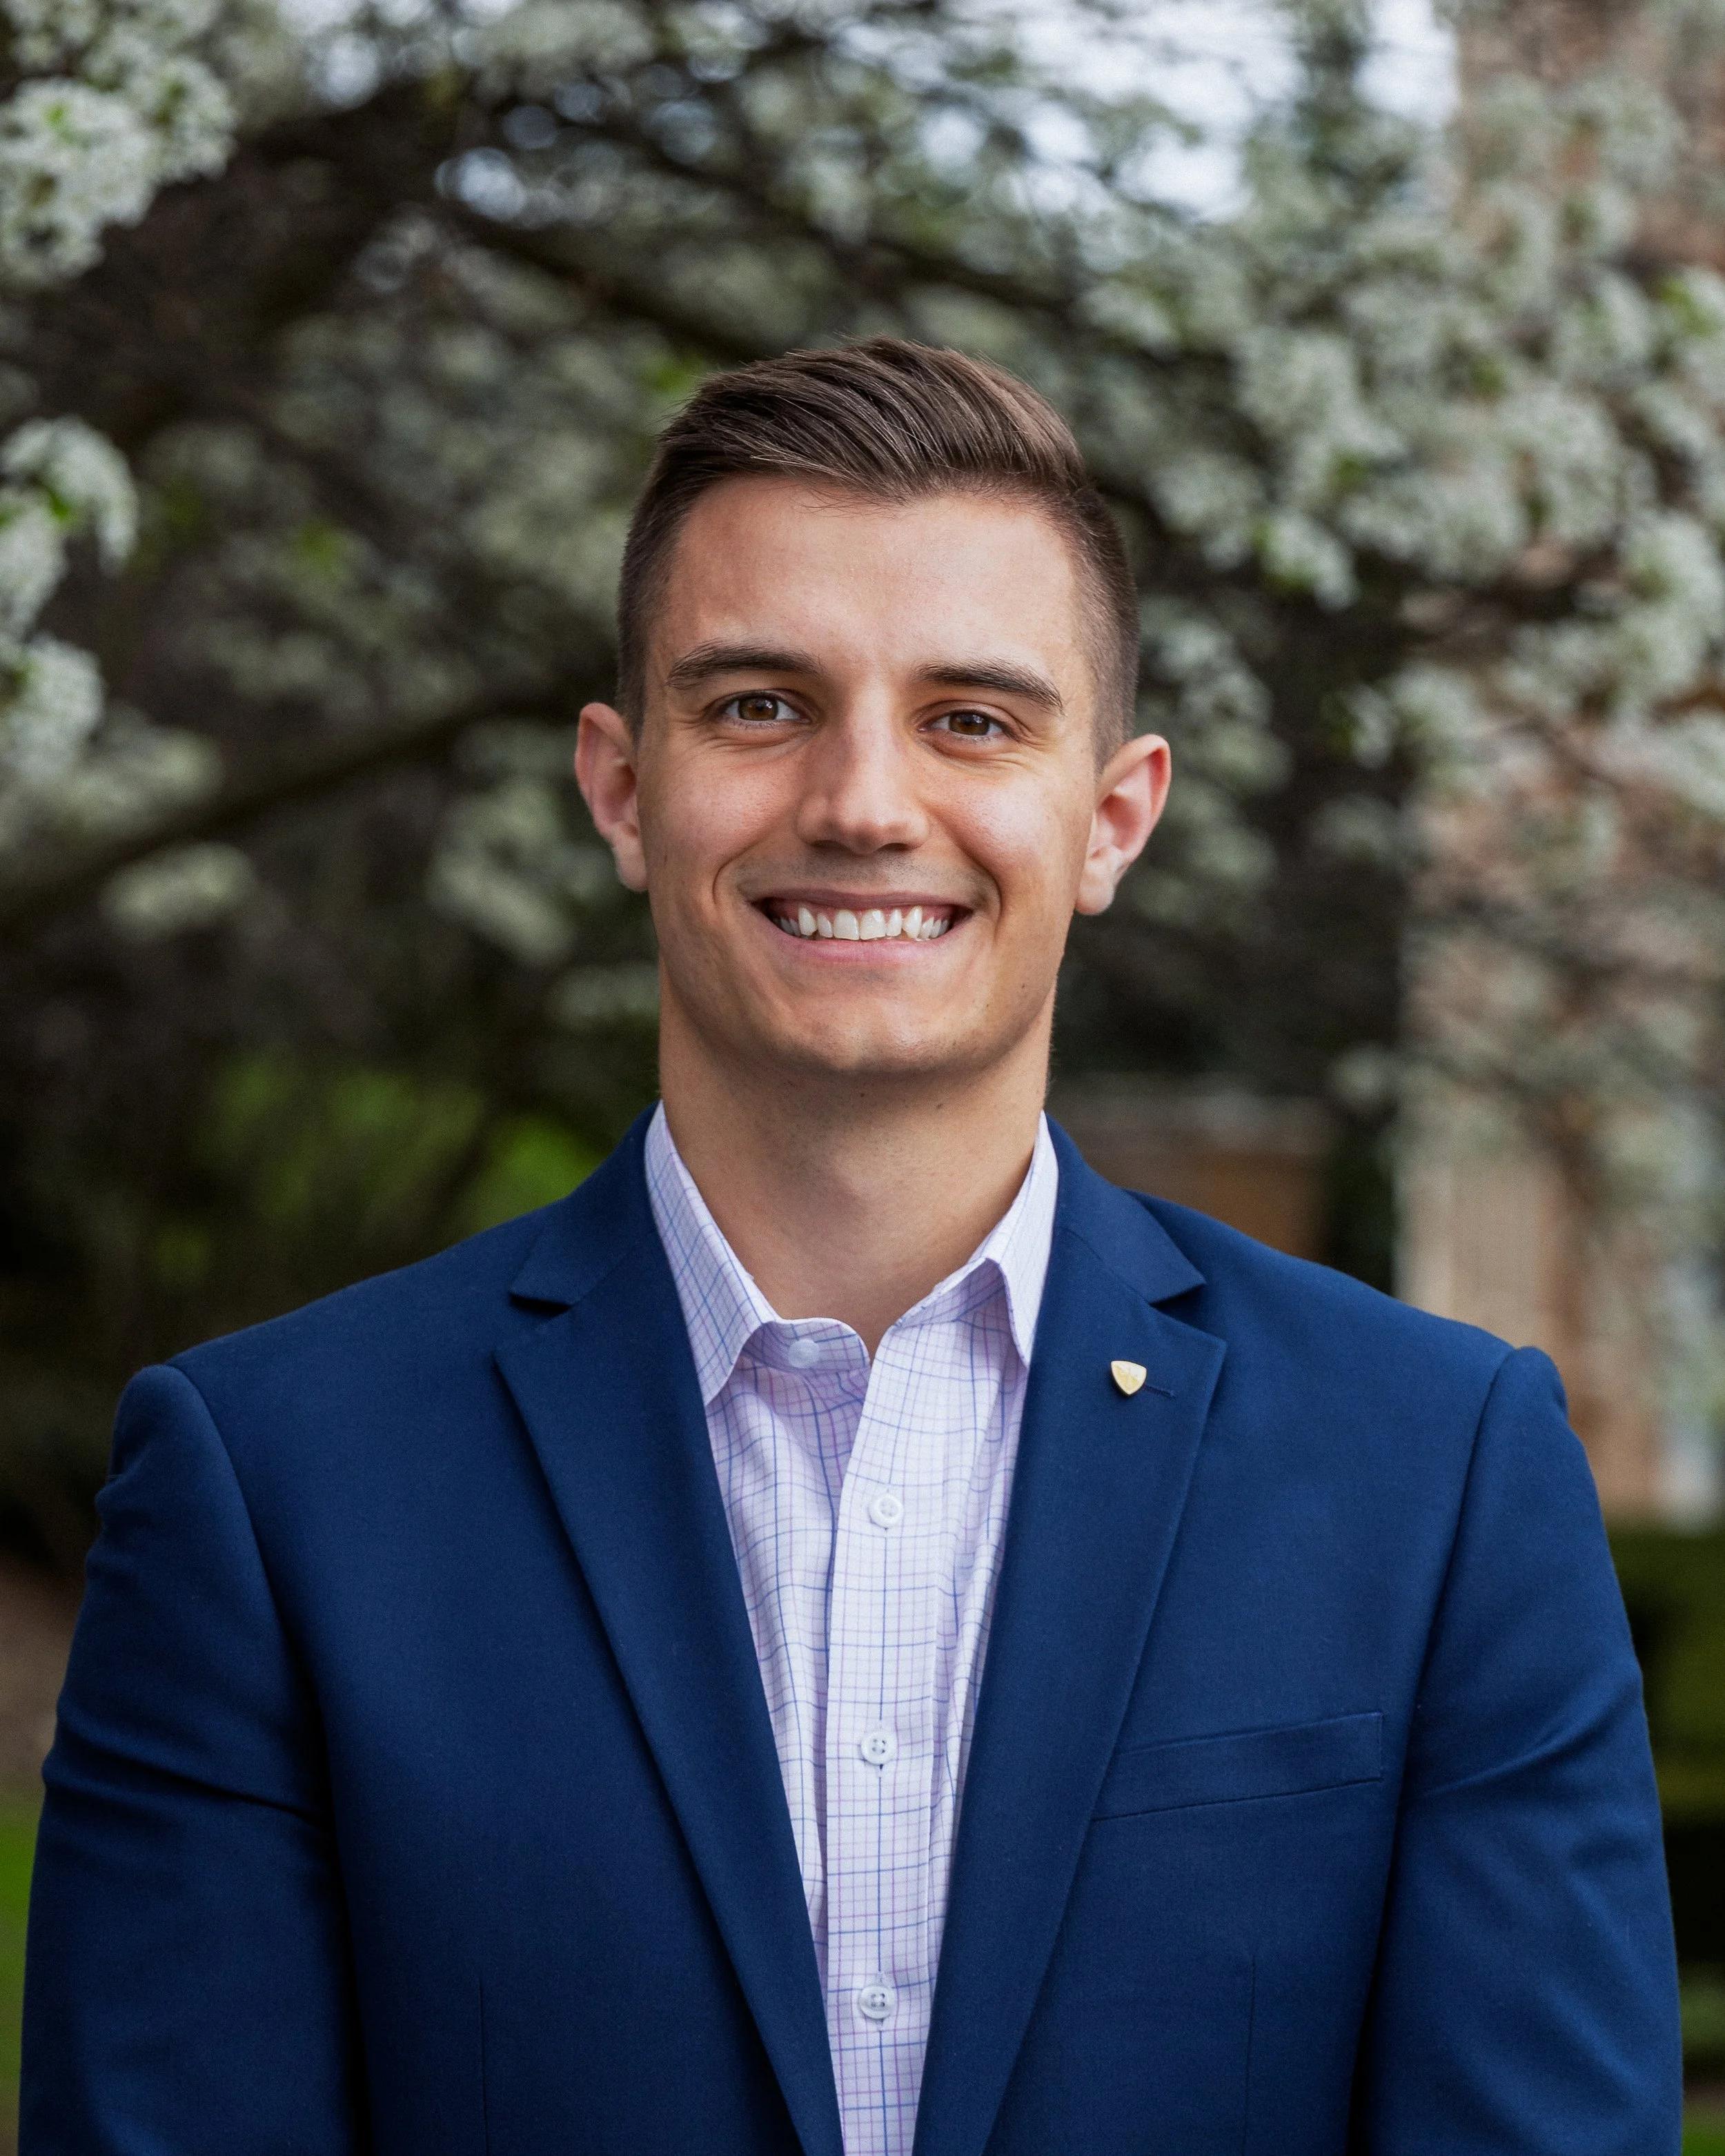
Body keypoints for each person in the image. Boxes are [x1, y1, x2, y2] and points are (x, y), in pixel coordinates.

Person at [23, 339, 1679, 2156]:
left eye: (972, 718)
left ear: (1112, 816)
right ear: (621, 789)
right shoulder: (274, 1486)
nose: (864, 802)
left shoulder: (1437, 1476)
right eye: (759, 705)